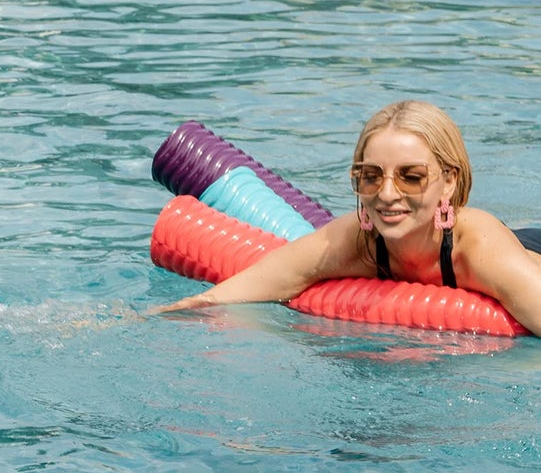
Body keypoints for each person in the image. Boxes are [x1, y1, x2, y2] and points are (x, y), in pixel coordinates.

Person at [155, 100, 541, 336]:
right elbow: (239, 291)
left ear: (448, 182)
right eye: (371, 176)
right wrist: (145, 320)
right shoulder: (355, 240)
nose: (387, 195)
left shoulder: (480, 249)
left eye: (412, 176)